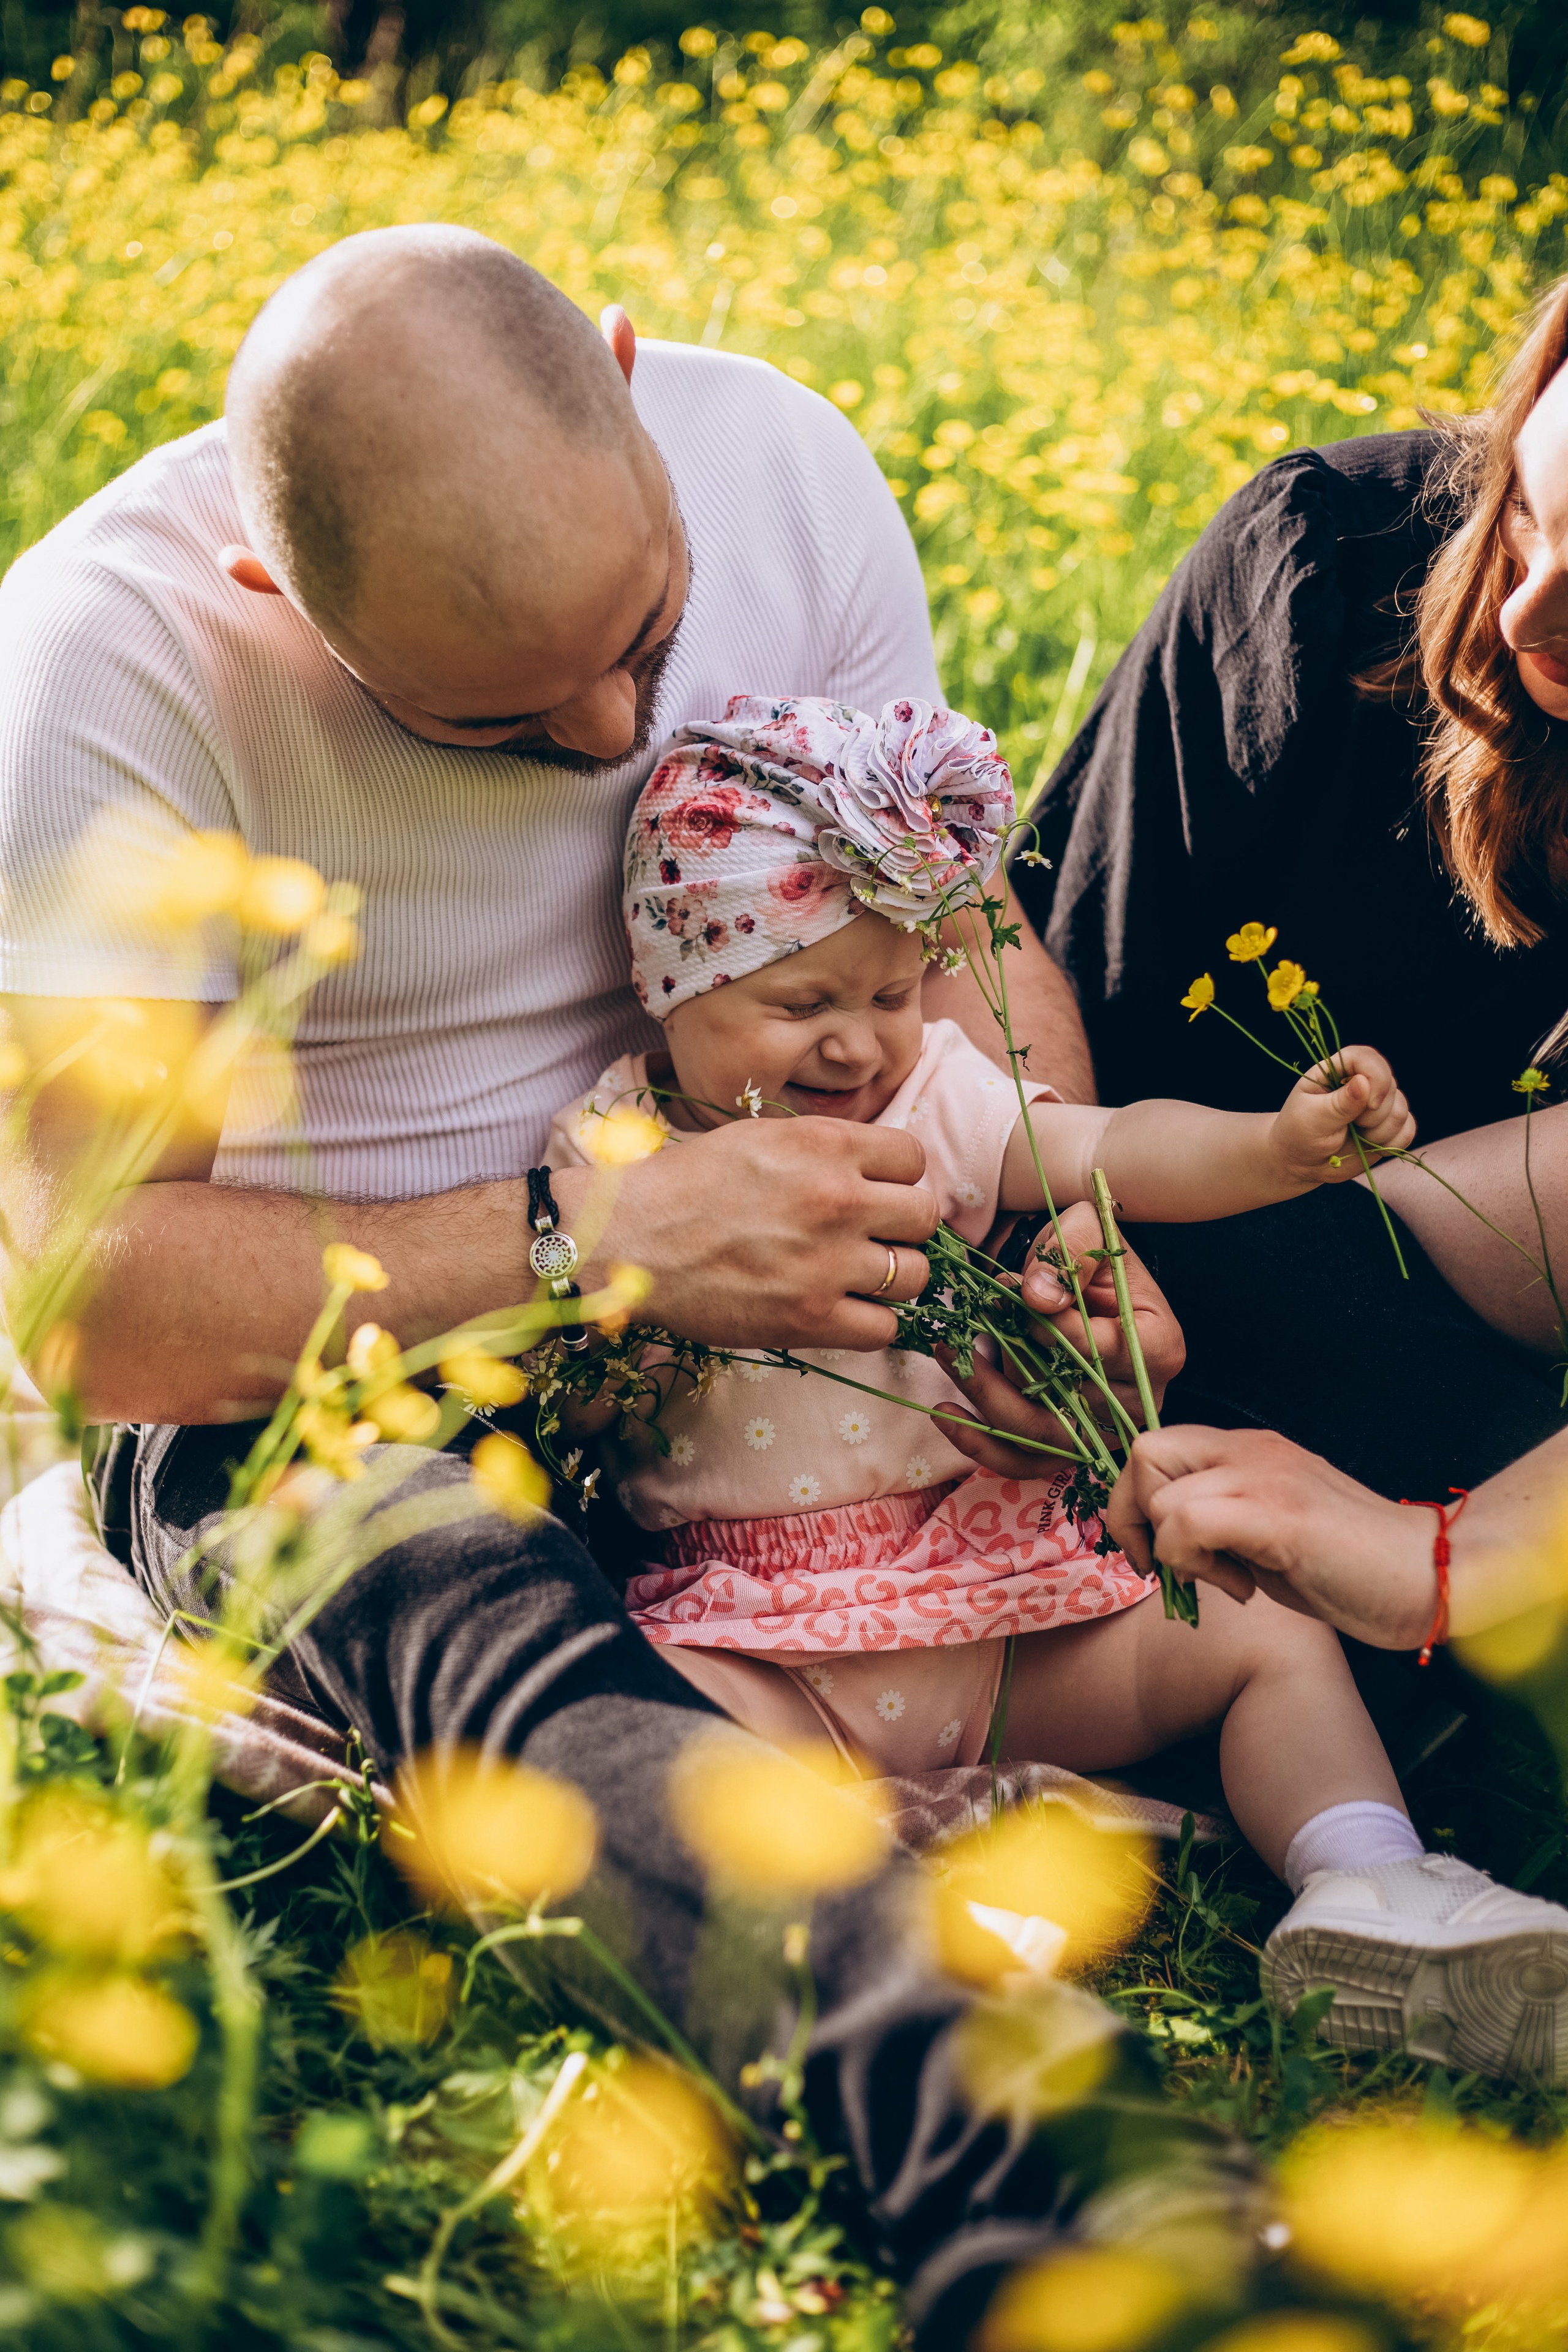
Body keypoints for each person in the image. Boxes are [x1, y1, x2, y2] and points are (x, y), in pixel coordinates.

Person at [0, 224, 1214, 2343]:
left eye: (646, 633)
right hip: (365, 1381)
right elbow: (90, 1295)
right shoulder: (101, 666)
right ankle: (1025, 2162)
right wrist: (581, 1249)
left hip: (830, 1314)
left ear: (634, 380)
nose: (611, 725)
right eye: (493, 713)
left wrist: (1043, 1254)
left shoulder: (786, 461)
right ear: (275, 593)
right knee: (506, 1655)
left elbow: (959, 939)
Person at [538, 688, 1568, 2082]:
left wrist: (1278, 1149)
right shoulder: (618, 1163)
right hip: (770, 1648)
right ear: (674, 984)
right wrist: (626, 1334)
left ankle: (1376, 1882)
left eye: (892, 993)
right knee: (653, 1719)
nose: (856, 1045)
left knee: (1261, 1641)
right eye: (800, 1005)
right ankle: (892, 1939)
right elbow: (578, 1398)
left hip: (1002, 1619)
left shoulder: (934, 1106)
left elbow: (1112, 1145)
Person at [1011, 270, 1568, 1540]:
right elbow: (1067, 963)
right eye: (1528, 519)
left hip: (1462, 1274)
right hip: (1140, 1229)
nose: (1527, 609)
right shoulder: (1334, 558)